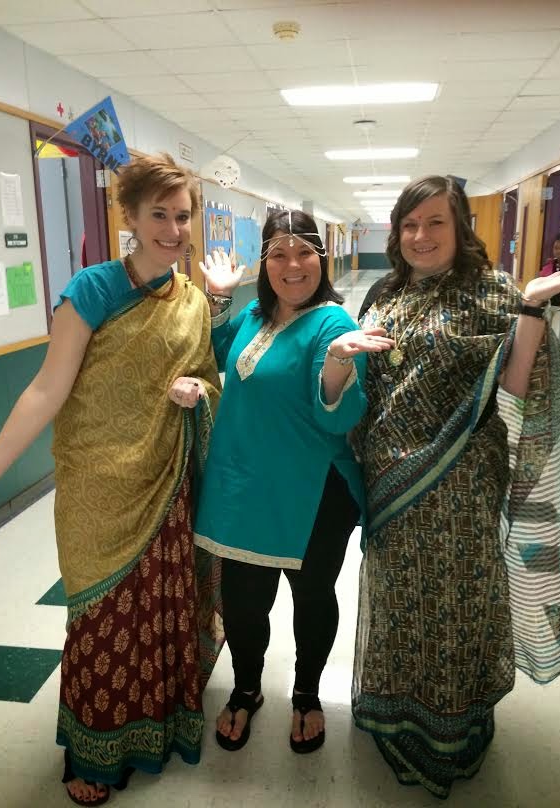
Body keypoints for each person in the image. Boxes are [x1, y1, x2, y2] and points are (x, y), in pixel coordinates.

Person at [0, 153, 224, 806]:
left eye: (182, 216)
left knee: (162, 608)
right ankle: (91, 751)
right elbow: (46, 389)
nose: (173, 229)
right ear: (131, 217)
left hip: (165, 480)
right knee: (101, 618)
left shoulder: (192, 301)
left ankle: (158, 726)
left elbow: (208, 376)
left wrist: (197, 389)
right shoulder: (91, 290)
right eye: (159, 215)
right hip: (98, 488)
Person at [350, 175, 560, 799]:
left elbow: (515, 385)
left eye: (435, 222)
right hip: (390, 485)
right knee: (400, 598)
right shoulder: (385, 292)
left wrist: (531, 309)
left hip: (461, 483)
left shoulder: (492, 292)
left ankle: (449, 731)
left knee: (458, 601)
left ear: (460, 228)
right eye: (409, 224)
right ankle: (398, 713)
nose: (421, 235)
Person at [193, 210, 394, 754]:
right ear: (264, 262)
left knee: (311, 598)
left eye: (304, 251)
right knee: (242, 602)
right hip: (244, 489)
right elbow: (220, 352)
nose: (293, 265)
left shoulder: (332, 324)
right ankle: (247, 689)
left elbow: (337, 417)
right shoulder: (257, 314)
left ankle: (306, 694)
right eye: (278, 254)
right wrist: (219, 297)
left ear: (321, 258)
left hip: (312, 495)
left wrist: (335, 365)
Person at [539, 231, 560, 335]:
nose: (558, 251)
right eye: (555, 248)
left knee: (555, 333)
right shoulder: (548, 266)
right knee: (544, 332)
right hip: (548, 305)